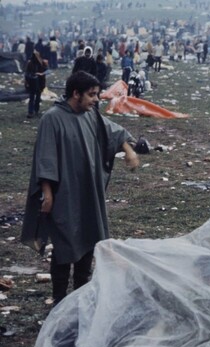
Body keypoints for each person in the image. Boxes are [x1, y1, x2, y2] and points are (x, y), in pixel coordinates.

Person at [20, 71, 140, 307]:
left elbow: (112, 131)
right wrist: (47, 193)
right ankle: (60, 300)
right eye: (92, 95)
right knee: (65, 245)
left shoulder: (90, 115)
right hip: (64, 194)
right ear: (76, 94)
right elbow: (45, 157)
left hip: (88, 192)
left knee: (89, 240)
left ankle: (81, 297)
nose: (96, 99)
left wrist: (129, 149)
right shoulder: (52, 119)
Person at [24, 51, 47, 118]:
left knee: (37, 97)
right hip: (33, 82)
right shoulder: (30, 63)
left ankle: (35, 110)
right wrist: (34, 75)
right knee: (32, 97)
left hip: (39, 82)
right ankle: (31, 111)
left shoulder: (42, 63)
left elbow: (46, 71)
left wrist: (41, 74)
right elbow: (27, 73)